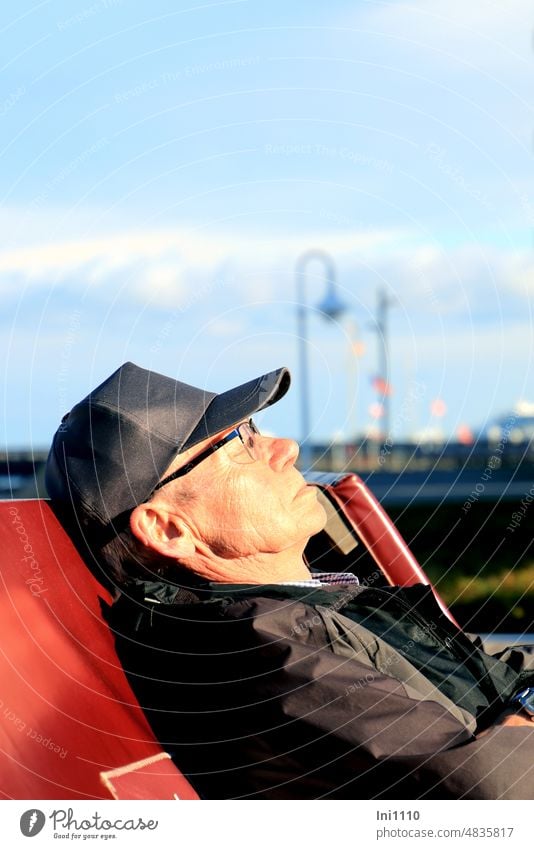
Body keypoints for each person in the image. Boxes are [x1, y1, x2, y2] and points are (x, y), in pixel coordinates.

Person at [45, 361, 534, 800]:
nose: (285, 448)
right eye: (238, 445)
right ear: (168, 529)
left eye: (254, 429)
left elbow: (487, 682)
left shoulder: (310, 605)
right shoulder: (252, 650)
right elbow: (490, 790)